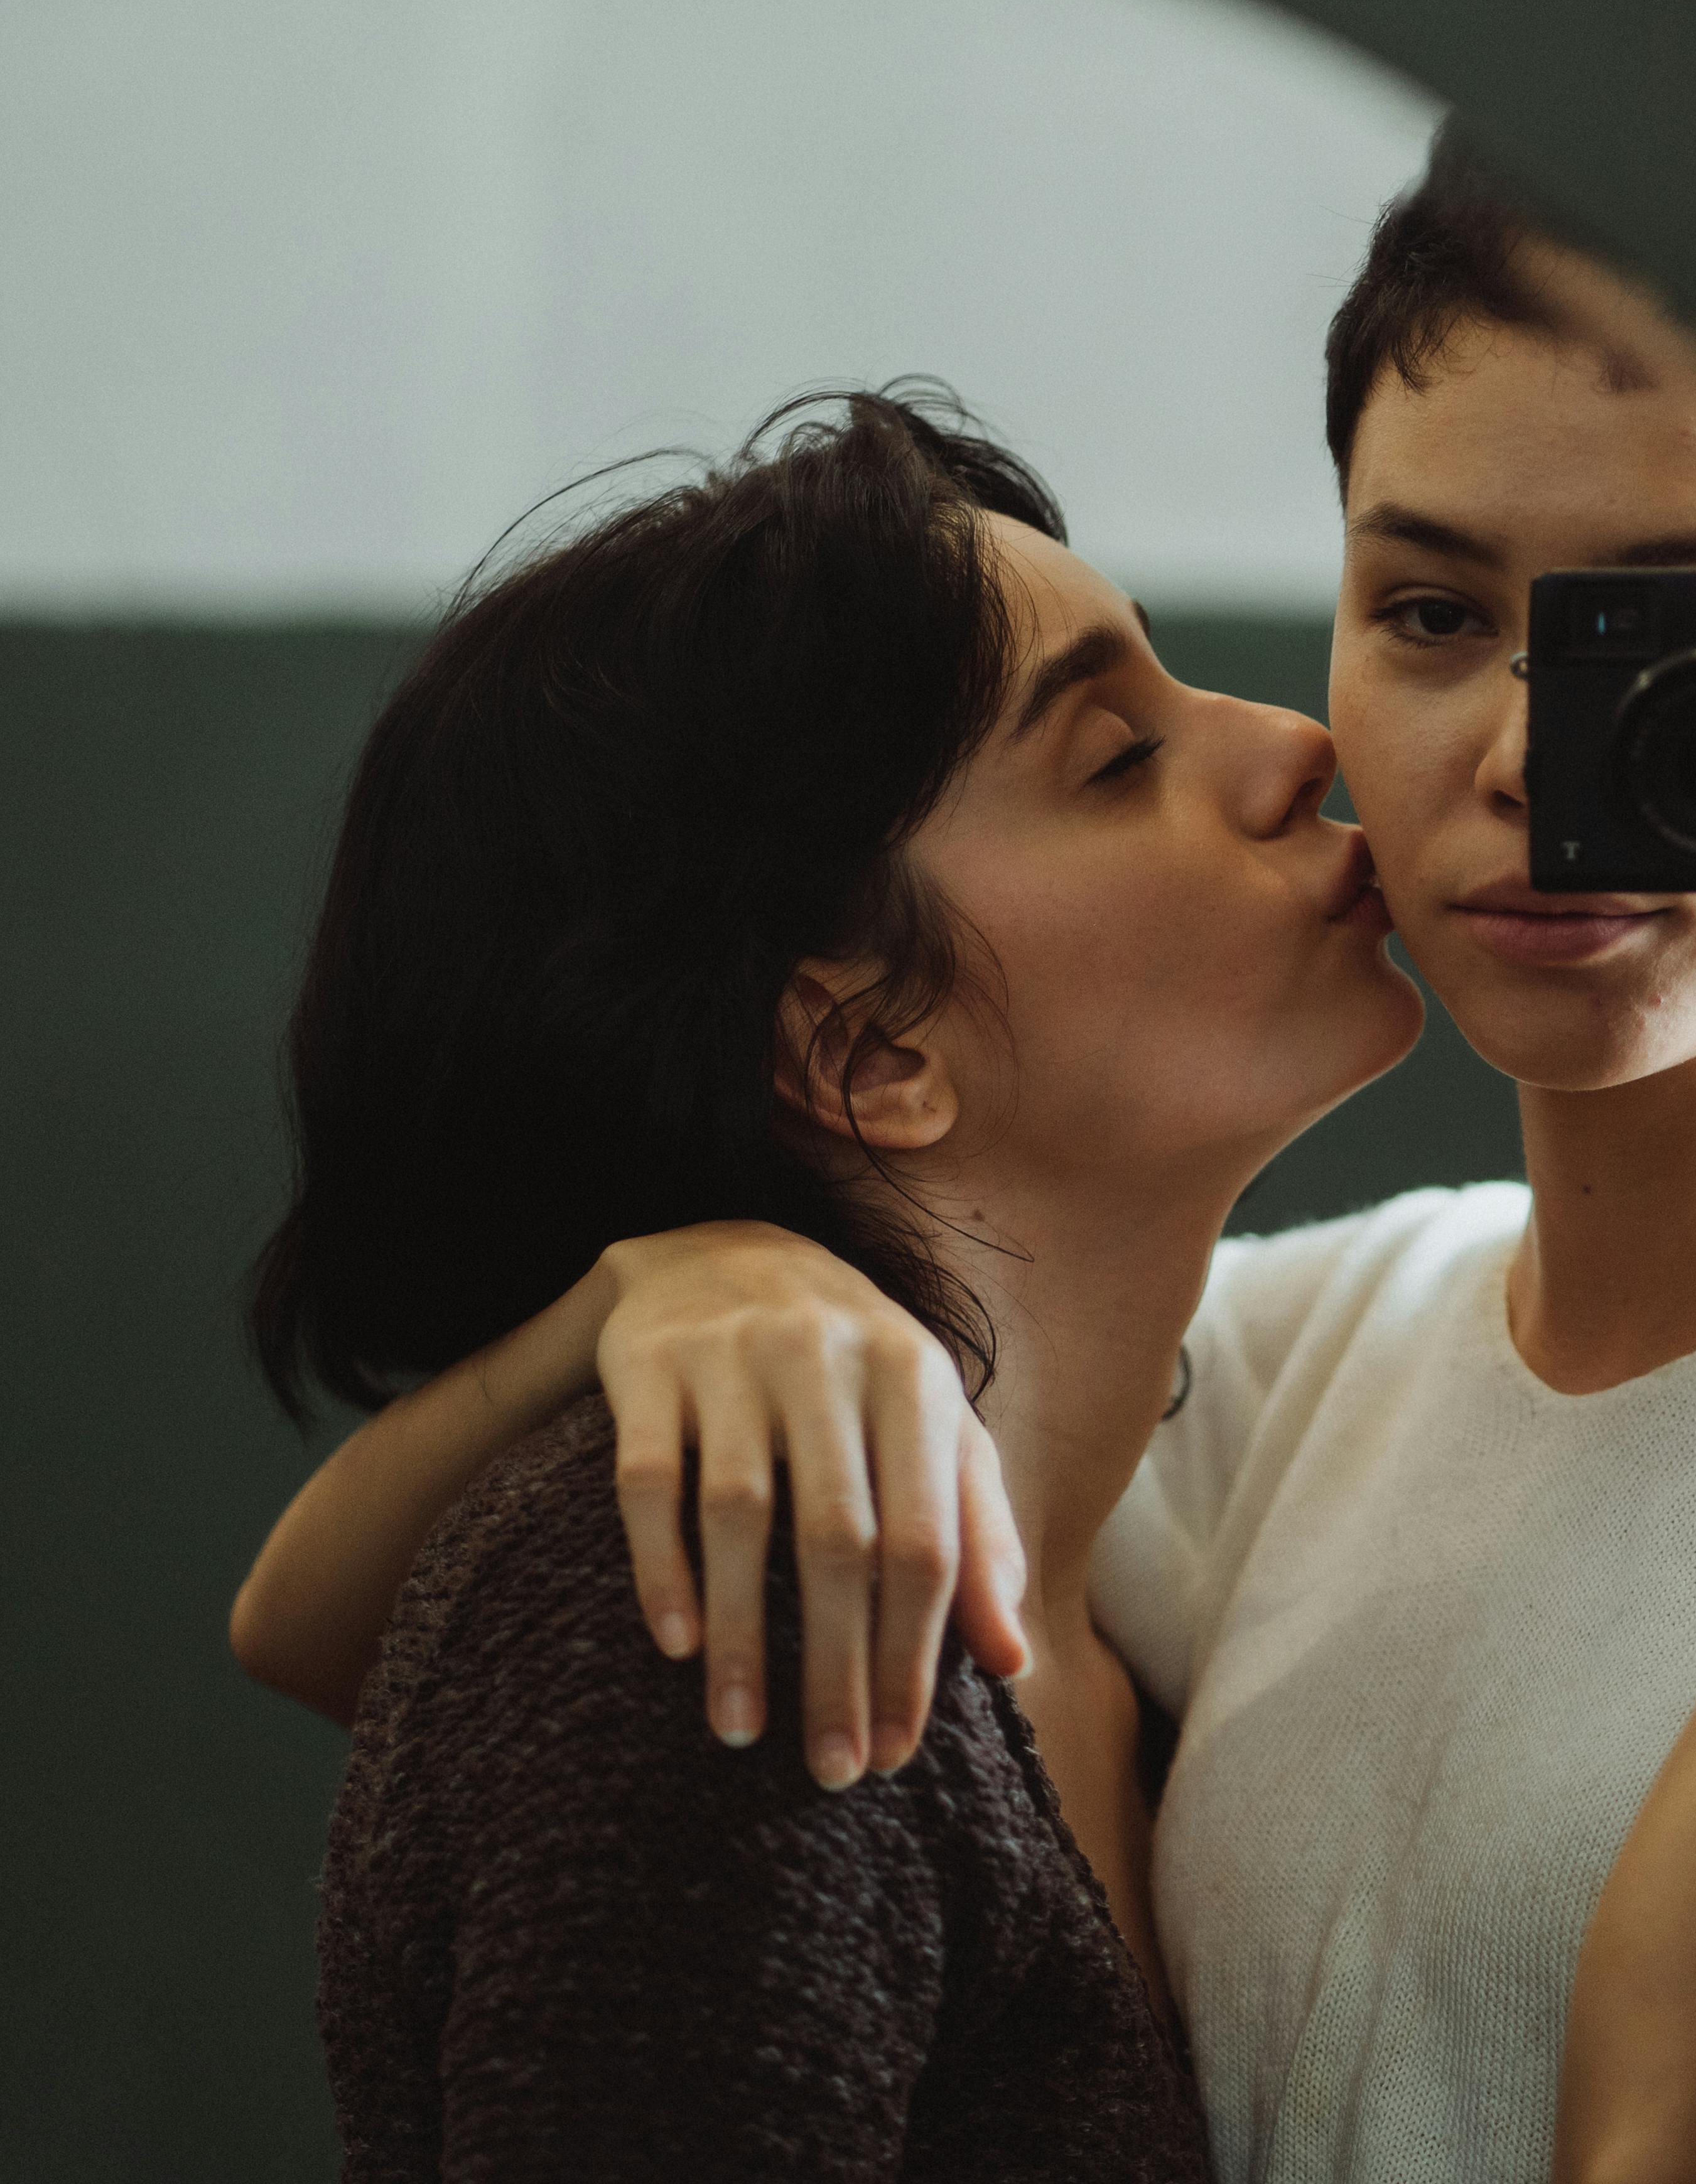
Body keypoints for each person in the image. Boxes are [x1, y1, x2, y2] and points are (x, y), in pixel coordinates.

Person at [238, 136, 1696, 2183]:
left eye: (1677, 652)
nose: (1521, 758)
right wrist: (662, 1289)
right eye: (1428, 611)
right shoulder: (1307, 1358)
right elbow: (379, 1632)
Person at [256, 391, 1421, 2175]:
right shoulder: (739, 1608)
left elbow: (294, 1614)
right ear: (870, 1053)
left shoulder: (1158, 1551)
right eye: (1116, 757)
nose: (1287, 742)